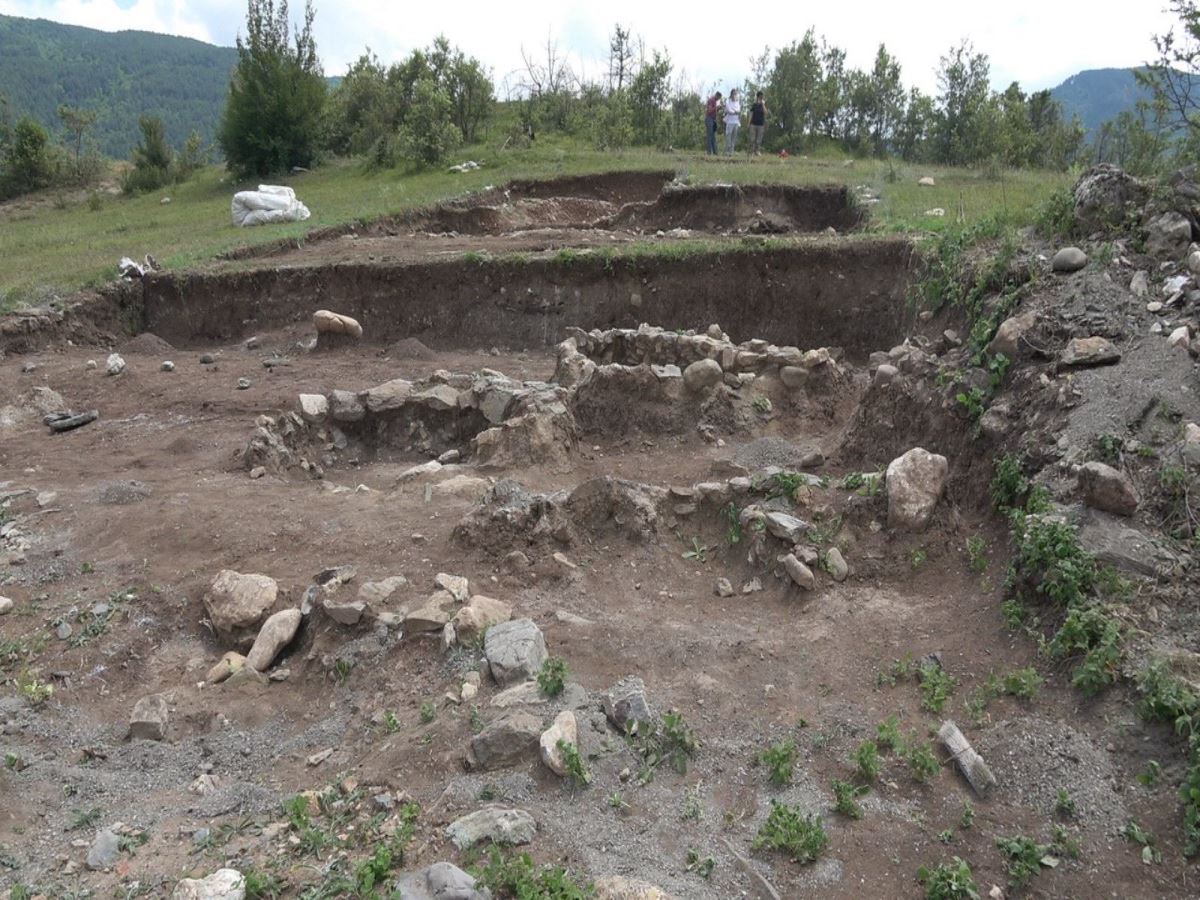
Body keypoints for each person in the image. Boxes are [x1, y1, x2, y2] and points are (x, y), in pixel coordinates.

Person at [723, 88, 741, 155]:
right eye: (734, 93)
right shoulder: (728, 102)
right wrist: (734, 111)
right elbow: (729, 111)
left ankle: (731, 151)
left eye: (736, 94)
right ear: (731, 94)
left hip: (736, 122)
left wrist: (734, 111)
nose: (735, 95)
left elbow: (738, 111)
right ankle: (727, 151)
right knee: (728, 137)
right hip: (730, 122)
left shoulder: (737, 102)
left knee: (734, 137)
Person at [749, 91, 767, 155]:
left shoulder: (763, 105)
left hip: (761, 124)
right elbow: (751, 114)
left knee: (759, 139)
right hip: (753, 124)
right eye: (760, 96)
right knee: (752, 139)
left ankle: (757, 151)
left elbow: (765, 112)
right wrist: (749, 123)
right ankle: (752, 151)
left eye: (762, 96)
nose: (761, 98)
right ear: (758, 97)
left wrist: (763, 104)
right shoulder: (754, 104)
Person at [704, 91, 722, 155]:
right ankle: (709, 152)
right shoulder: (711, 100)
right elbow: (709, 110)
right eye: (719, 98)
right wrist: (717, 107)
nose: (718, 99)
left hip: (713, 120)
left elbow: (714, 111)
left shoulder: (715, 101)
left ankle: (715, 152)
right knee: (709, 136)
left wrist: (719, 109)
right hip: (709, 119)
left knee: (713, 136)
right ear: (717, 95)